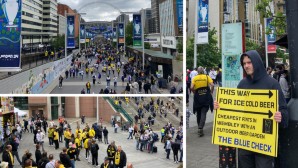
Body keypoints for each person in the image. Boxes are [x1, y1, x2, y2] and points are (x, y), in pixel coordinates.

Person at [214, 50, 289, 168]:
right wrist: (220, 107)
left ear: (257, 62)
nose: (246, 66)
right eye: (244, 64)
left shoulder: (272, 83)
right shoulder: (242, 84)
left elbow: (284, 110)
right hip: (244, 140)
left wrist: (280, 116)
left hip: (264, 142)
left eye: (249, 62)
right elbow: (234, 108)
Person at [190, 66, 214, 137]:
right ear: (203, 71)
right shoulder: (206, 77)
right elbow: (212, 85)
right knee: (204, 112)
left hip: (198, 97)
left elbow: (191, 87)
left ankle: (199, 126)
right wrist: (211, 92)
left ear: (197, 71)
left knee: (199, 112)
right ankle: (200, 127)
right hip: (206, 96)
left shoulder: (195, 78)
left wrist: (194, 92)